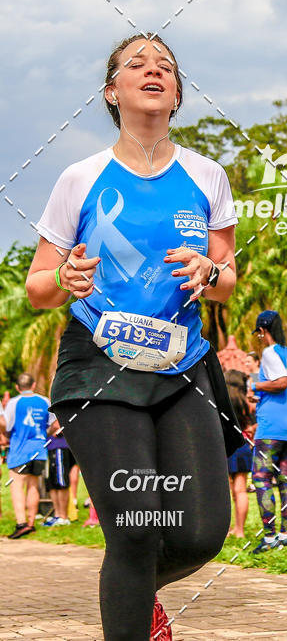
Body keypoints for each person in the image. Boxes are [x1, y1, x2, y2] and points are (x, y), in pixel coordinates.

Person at [25, 34, 240, 641]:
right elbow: (36, 285)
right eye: (136, 65)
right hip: (100, 366)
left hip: (183, 367)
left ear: (176, 93)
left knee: (201, 532)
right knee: (135, 528)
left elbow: (225, 282)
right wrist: (64, 276)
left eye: (165, 66)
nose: (153, 71)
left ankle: (132, 588)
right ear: (111, 92)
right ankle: (129, 592)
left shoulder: (207, 175)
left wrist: (209, 270)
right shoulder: (81, 177)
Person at [250, 310, 287, 552]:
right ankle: (286, 535)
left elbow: (281, 382)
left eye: (259, 334)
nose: (259, 339)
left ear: (264, 331)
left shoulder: (269, 352)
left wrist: (255, 385)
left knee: (261, 478)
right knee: (285, 481)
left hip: (271, 428)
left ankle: (269, 538)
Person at [0, 373, 59, 538]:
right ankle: (32, 523)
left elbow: (7, 424)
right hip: (39, 450)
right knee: (33, 485)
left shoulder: (14, 403)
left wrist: (5, 433)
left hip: (20, 450)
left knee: (17, 485)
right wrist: (45, 433)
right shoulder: (44, 401)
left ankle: (21, 524)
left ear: (17, 388)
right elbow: (54, 424)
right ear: (33, 385)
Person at [224, 369, 255, 537]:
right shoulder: (246, 403)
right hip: (242, 446)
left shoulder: (221, 403)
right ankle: (240, 530)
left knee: (227, 491)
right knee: (241, 490)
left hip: (226, 446)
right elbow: (251, 425)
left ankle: (228, 529)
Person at [43, 430, 76, 526]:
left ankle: (64, 517)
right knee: (52, 484)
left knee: (61, 482)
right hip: (49, 446)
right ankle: (57, 515)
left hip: (59, 446)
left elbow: (58, 424)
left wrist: (50, 430)